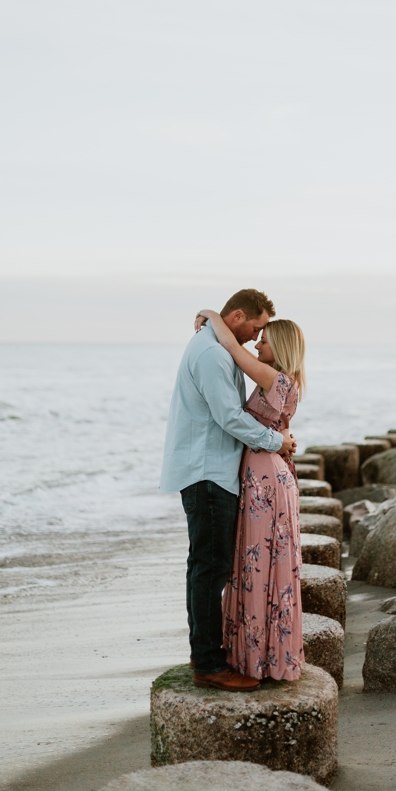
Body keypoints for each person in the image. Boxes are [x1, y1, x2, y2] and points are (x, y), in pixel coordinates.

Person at [160, 288, 296, 692]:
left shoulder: (217, 346)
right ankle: (208, 663)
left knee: (205, 566)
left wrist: (211, 317)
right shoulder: (213, 354)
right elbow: (228, 417)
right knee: (210, 568)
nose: (256, 338)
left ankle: (203, 652)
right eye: (255, 328)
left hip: (211, 471)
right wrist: (276, 442)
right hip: (208, 473)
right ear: (237, 317)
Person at [194, 308, 308, 682]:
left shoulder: (276, 379)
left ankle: (258, 657)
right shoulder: (283, 382)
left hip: (264, 480)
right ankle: (255, 653)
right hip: (264, 474)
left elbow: (231, 347)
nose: (257, 343)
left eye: (265, 339)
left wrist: (212, 315)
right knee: (254, 564)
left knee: (258, 565)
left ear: (282, 348)